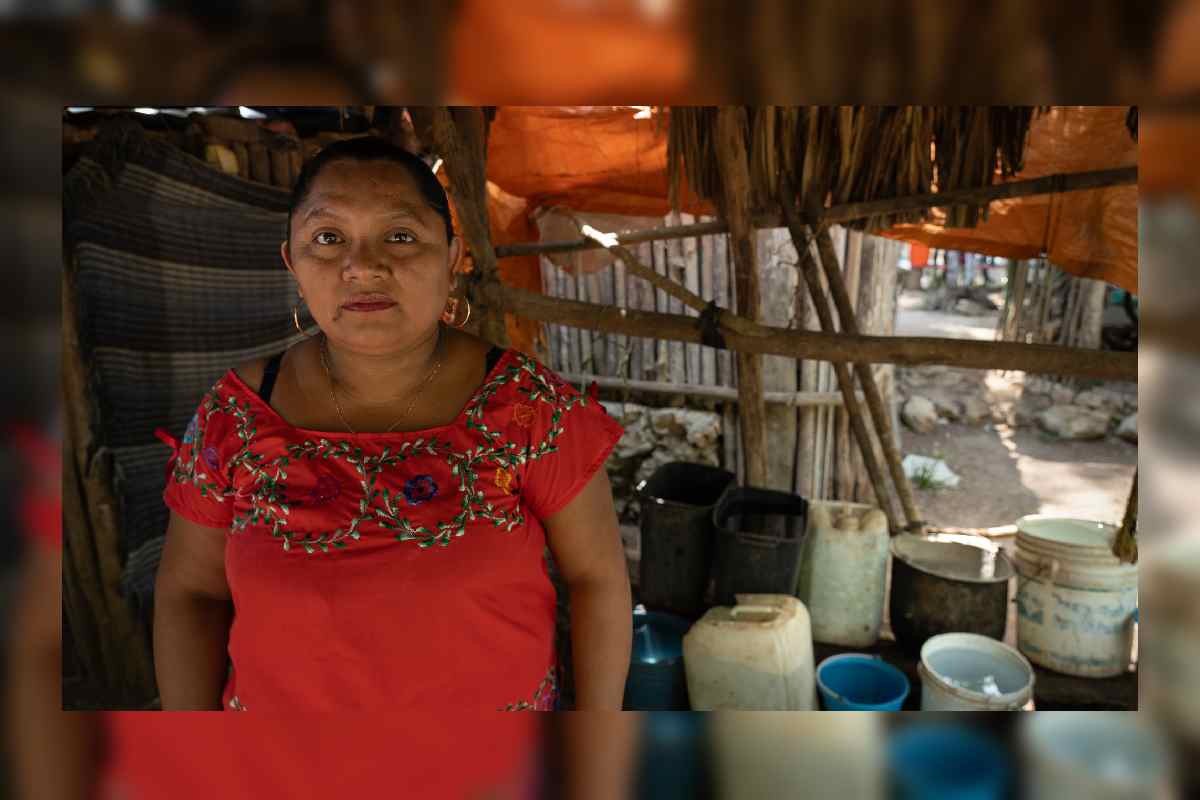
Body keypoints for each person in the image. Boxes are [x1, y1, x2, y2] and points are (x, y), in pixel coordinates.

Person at [152, 136, 632, 712]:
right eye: (328, 239)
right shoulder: (235, 416)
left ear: (452, 257)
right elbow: (191, 592)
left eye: (400, 236)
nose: (363, 267)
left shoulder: (526, 408)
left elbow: (597, 579)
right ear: (293, 262)